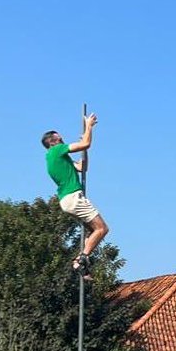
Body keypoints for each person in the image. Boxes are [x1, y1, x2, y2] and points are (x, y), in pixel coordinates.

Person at [41, 113, 109, 276]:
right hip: (74, 197)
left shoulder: (57, 158)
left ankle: (81, 263)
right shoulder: (56, 151)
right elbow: (86, 143)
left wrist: (84, 150)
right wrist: (89, 127)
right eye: (60, 138)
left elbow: (82, 167)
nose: (63, 140)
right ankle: (81, 260)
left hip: (67, 201)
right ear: (53, 141)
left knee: (91, 231)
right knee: (102, 229)